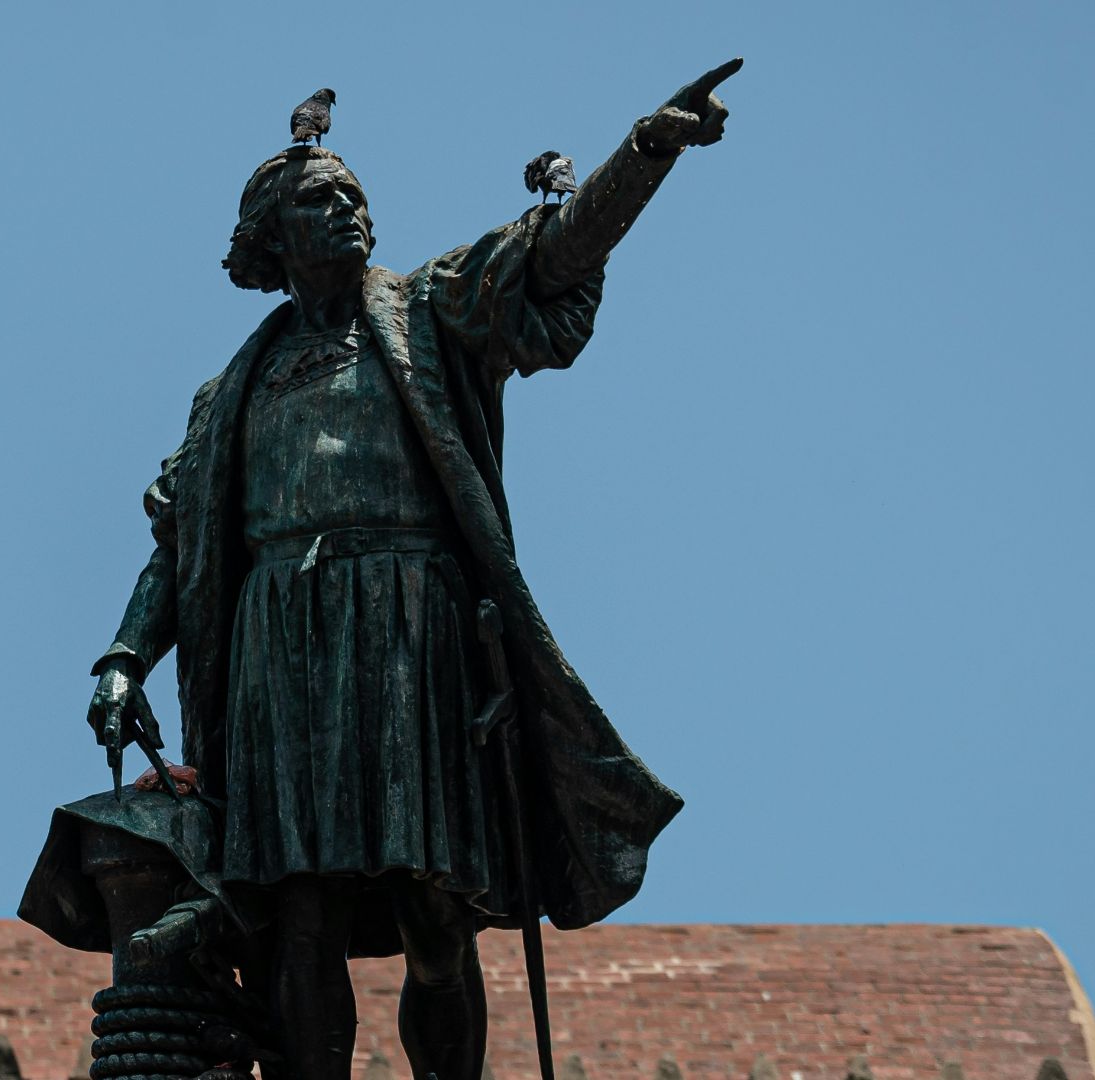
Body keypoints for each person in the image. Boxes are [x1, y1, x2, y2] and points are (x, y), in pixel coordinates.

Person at [85, 62, 740, 1080]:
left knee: (438, 903)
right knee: (300, 906)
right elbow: (183, 549)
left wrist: (643, 157)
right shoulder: (229, 396)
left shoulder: (429, 312)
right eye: (321, 199)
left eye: (355, 195)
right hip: (278, 646)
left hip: (410, 623)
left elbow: (553, 255)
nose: (350, 208)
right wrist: (126, 655)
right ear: (271, 238)